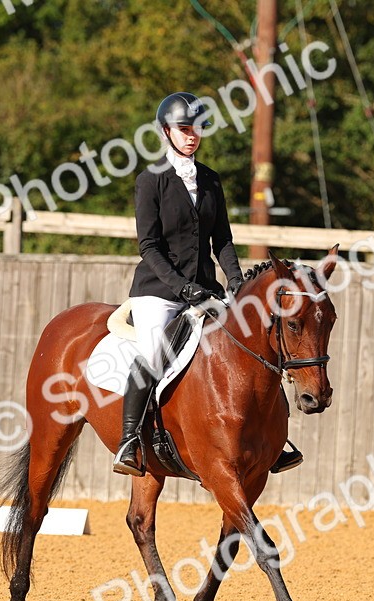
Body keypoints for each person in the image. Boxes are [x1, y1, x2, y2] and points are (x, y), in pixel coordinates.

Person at [112, 92, 303, 477]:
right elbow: (149, 246)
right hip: (160, 292)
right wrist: (182, 287)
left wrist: (235, 281)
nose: (191, 136)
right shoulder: (151, 181)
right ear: (166, 132)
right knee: (153, 354)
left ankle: (274, 441)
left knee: (255, 346)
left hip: (207, 290)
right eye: (184, 130)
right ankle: (130, 441)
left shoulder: (211, 180)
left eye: (197, 129)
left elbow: (224, 241)